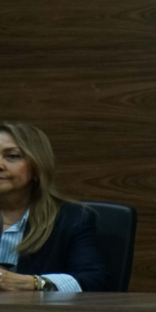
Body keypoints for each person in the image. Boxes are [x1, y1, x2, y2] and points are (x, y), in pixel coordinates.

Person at [0, 121, 110, 293]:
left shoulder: (70, 218)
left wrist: (34, 283)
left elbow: (93, 280)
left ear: (37, 167)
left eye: (12, 156)